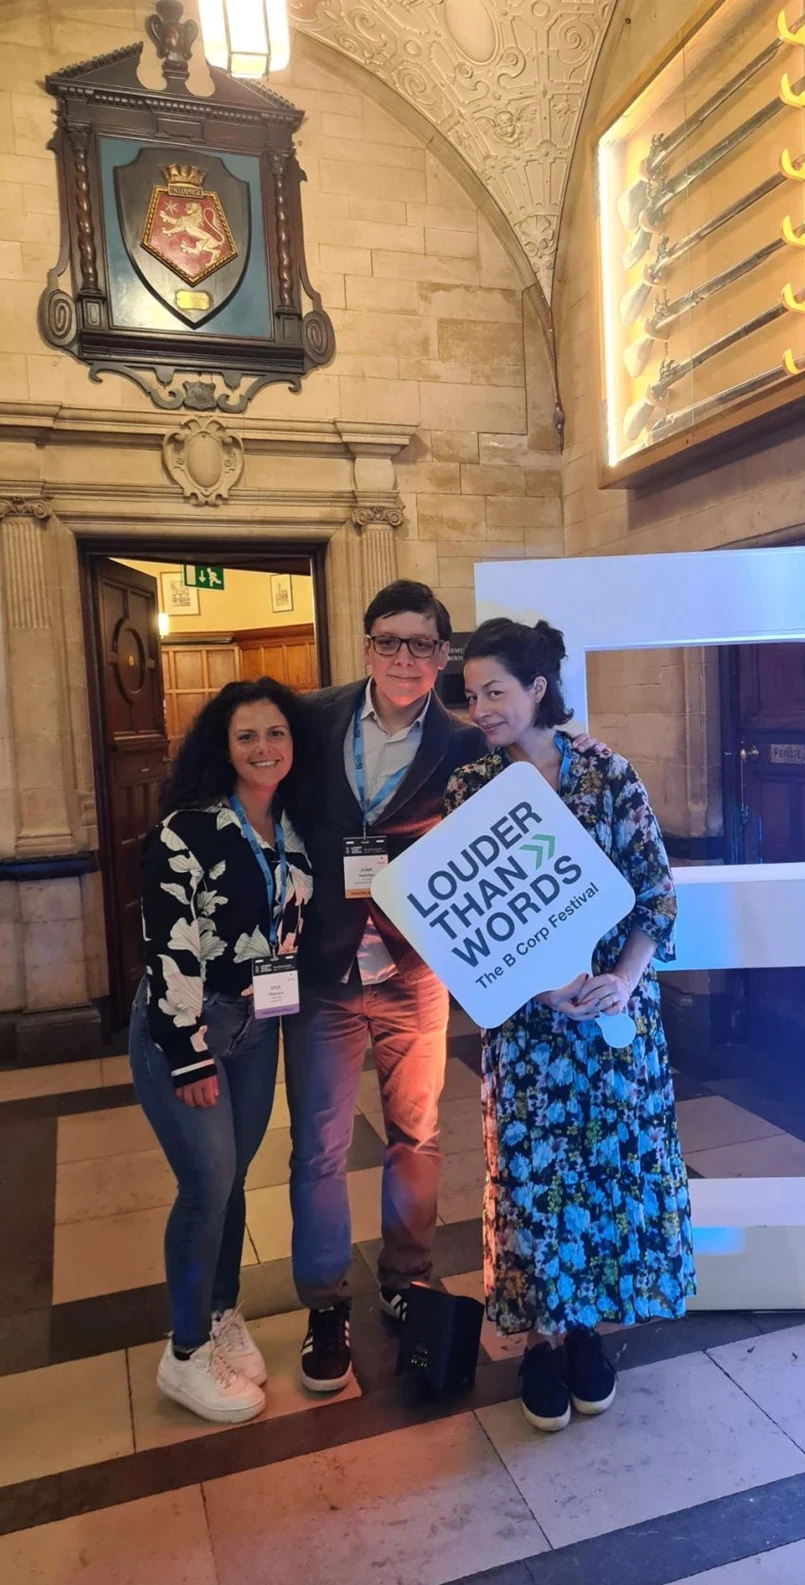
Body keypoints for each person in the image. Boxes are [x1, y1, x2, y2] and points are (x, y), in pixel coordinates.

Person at [286, 580, 606, 1395]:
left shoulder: (467, 746)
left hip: (414, 970)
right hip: (324, 968)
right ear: (366, 647)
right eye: (389, 641)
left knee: (417, 1134)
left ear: (441, 654)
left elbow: (516, 850)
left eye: (422, 645)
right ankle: (326, 1304)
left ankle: (406, 1275)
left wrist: (555, 961)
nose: (405, 657)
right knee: (318, 1146)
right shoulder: (312, 718)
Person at [445, 617, 695, 1432]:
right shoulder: (471, 788)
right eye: (472, 693)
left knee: (604, 1174)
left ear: (537, 690)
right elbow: (471, 921)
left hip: (612, 1023)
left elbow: (656, 894)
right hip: (529, 1028)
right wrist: (540, 988)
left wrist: (623, 979)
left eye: (495, 691)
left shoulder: (607, 774)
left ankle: (587, 1326)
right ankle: (542, 1339)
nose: (480, 706)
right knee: (531, 1181)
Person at [131, 678, 313, 1425]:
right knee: (205, 1185)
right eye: (247, 736)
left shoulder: (293, 826)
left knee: (236, 1175)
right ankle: (182, 1355)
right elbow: (167, 949)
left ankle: (219, 1313)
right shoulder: (186, 830)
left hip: (256, 1023)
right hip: (191, 1025)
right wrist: (189, 1055)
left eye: (275, 732)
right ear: (223, 745)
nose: (264, 747)